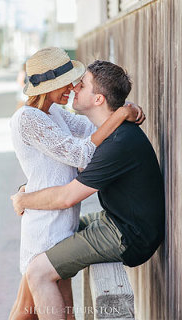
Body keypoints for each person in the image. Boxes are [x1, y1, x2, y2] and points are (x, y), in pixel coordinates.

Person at [11, 59, 164, 320]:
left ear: (98, 99)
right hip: (118, 220)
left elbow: (67, 197)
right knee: (55, 238)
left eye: (81, 84)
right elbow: (77, 145)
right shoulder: (111, 133)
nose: (74, 87)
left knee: (37, 271)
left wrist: (23, 200)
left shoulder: (118, 142)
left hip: (128, 235)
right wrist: (123, 111)